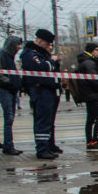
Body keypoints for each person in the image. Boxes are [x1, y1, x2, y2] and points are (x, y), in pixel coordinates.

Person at [19, 28, 62, 160]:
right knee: (42, 121)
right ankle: (42, 149)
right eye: (48, 44)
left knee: (48, 121)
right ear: (40, 41)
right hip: (41, 90)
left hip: (49, 90)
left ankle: (48, 146)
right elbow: (42, 67)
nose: (49, 47)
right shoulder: (31, 54)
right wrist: (52, 61)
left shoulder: (42, 54)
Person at [75, 42, 98, 150]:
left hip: (87, 94)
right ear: (92, 51)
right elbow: (93, 79)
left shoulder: (84, 62)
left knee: (90, 119)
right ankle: (94, 141)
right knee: (97, 118)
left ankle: (90, 141)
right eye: (97, 50)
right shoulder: (89, 63)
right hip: (93, 94)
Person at [0, 36, 23, 155]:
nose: (19, 47)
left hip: (11, 91)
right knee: (8, 118)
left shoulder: (10, 57)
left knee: (10, 119)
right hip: (6, 90)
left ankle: (9, 144)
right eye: (18, 44)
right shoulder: (2, 55)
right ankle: (8, 145)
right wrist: (10, 82)